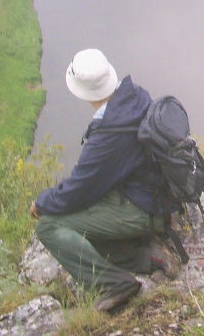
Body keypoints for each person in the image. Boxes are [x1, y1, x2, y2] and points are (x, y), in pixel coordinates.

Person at [30, 48, 181, 312]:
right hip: (153, 196)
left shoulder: (108, 133)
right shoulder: (133, 97)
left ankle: (114, 285)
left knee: (50, 227)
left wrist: (42, 203)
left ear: (81, 90)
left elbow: (77, 190)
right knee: (78, 222)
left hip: (142, 209)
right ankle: (149, 256)